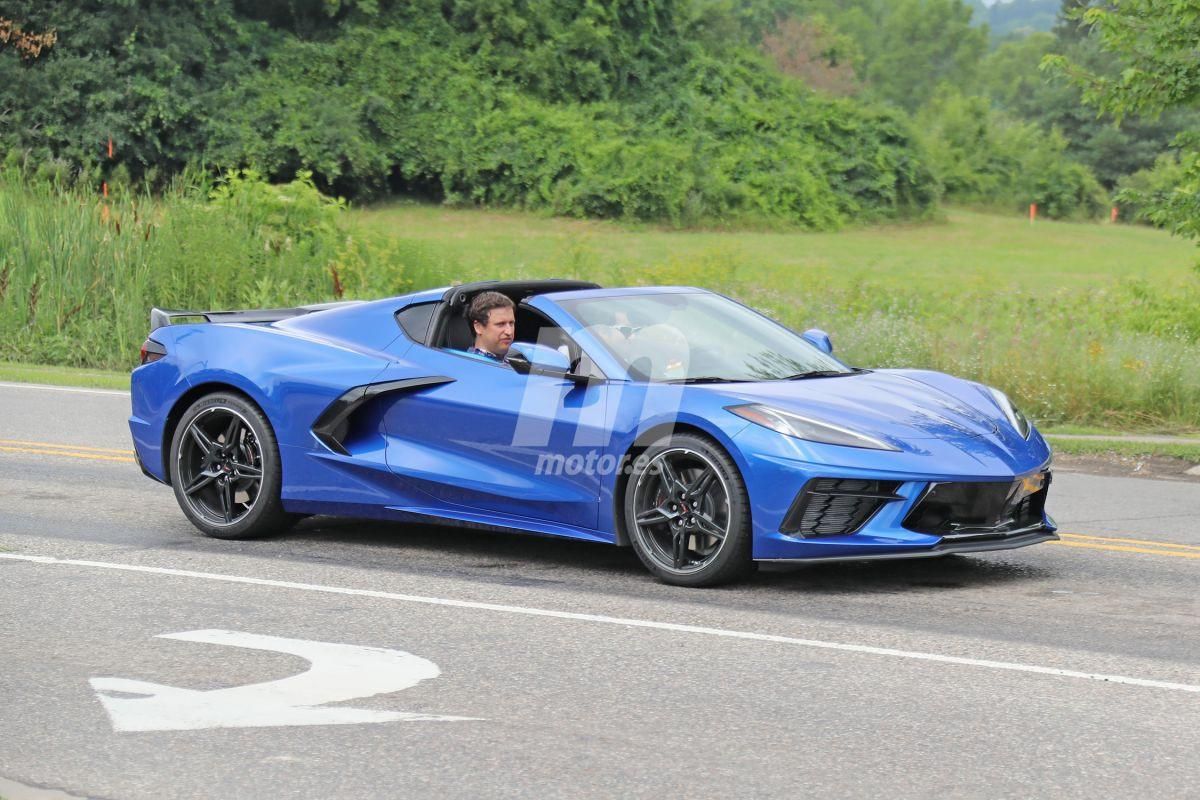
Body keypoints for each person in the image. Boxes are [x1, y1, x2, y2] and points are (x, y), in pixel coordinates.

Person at [464, 291, 515, 364]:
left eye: (511, 323)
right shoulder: (473, 366)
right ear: (478, 327)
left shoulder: (512, 361)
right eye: (500, 324)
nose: (509, 332)